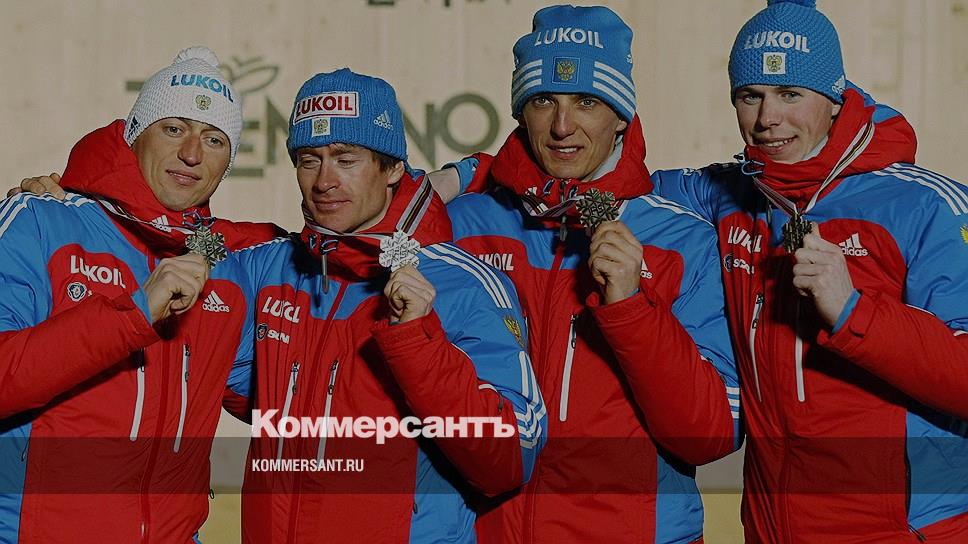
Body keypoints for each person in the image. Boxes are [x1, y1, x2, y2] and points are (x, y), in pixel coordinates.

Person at [649, 0, 968, 540]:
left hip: (900, 532)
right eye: (750, 95)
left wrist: (855, 314)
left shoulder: (926, 206)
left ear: (835, 100)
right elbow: (611, 182)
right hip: (773, 529)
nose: (767, 119)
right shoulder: (729, 196)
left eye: (790, 93)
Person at [443, 5, 740, 543]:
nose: (562, 127)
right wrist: (455, 179)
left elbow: (710, 435)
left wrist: (631, 309)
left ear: (622, 115)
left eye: (587, 101)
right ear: (521, 113)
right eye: (543, 101)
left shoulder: (683, 241)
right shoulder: (462, 227)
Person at [232, 68, 546, 543]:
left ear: (394, 168)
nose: (325, 181)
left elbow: (511, 459)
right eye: (309, 160)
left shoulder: (463, 284)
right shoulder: (270, 269)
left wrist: (416, 344)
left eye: (346, 159)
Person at [0, 47, 276, 542]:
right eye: (173, 128)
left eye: (214, 139)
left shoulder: (229, 268)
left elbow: (290, 396)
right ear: (135, 134)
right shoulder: (42, 220)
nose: (192, 153)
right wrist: (134, 313)